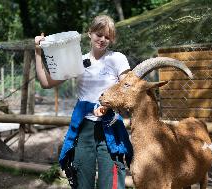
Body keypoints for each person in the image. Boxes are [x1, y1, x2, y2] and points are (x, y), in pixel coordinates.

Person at [34, 15, 133, 189]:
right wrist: (37, 52)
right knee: (82, 180)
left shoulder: (117, 59)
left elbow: (128, 90)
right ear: (90, 33)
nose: (102, 39)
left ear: (112, 39)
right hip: (84, 127)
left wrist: (107, 105)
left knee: (111, 182)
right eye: (99, 34)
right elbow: (46, 83)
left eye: (107, 37)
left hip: (109, 125)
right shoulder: (77, 61)